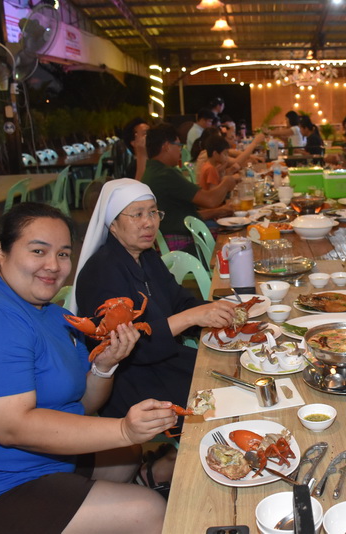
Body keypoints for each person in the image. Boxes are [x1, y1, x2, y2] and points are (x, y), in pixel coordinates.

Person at [0, 202, 174, 533]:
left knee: (126, 454)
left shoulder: (54, 315)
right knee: (149, 510)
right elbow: (12, 427)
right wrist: (123, 429)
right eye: (38, 251)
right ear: (0, 251)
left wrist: (104, 365)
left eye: (63, 254)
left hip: (39, 465)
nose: (53, 265)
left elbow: (82, 404)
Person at [68, 180, 238, 489]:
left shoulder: (145, 256)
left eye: (153, 212)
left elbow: (179, 300)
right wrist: (191, 317)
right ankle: (192, 472)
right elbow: (129, 346)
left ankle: (170, 464)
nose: (149, 223)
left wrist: (218, 311)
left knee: (233, 371)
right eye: (137, 214)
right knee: (222, 397)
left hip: (163, 360)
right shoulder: (101, 271)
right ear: (113, 224)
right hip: (128, 380)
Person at [141, 124, 235, 250]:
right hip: (182, 242)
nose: (180, 150)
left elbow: (182, 214)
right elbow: (210, 200)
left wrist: (219, 211)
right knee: (234, 236)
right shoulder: (165, 174)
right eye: (178, 145)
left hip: (172, 237)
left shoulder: (151, 171)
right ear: (167, 146)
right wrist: (227, 182)